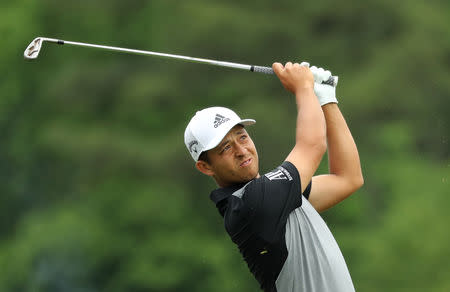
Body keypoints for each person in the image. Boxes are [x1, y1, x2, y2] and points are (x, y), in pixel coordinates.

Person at [184, 62, 363, 292]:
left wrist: (327, 100)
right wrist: (304, 89)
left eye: (242, 137)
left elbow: (348, 178)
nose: (241, 150)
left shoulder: (277, 194)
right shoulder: (250, 203)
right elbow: (312, 145)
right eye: (225, 148)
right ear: (205, 167)